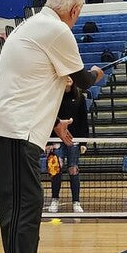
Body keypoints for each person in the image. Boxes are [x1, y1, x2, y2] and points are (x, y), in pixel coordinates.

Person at [0, 0, 104, 253]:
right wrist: (95, 73)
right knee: (22, 213)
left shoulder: (33, 26)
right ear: (75, 11)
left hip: (15, 130)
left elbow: (32, 86)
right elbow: (80, 80)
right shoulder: (56, 31)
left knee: (24, 212)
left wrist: (55, 124)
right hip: (16, 133)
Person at [47, 78, 90, 215]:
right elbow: (47, 120)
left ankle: (76, 202)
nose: (68, 79)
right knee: (55, 170)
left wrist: (83, 142)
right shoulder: (53, 98)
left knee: (73, 170)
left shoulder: (80, 98)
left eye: (71, 76)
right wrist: (47, 142)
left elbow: (84, 120)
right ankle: (54, 200)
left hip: (74, 141)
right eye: (65, 77)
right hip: (55, 141)